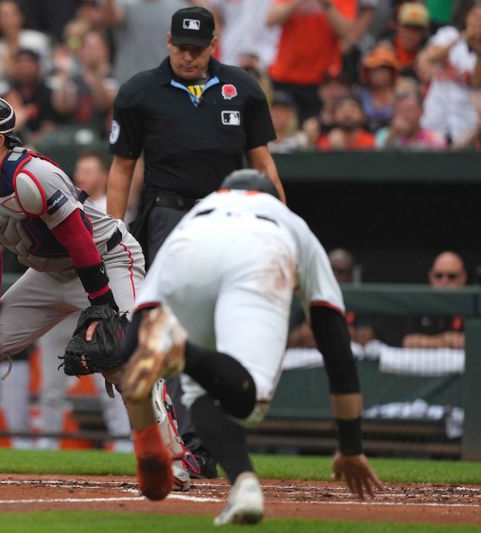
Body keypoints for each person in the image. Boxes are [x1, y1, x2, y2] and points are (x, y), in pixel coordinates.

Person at [0, 93, 193, 492]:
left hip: (107, 260)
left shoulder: (31, 176)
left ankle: (171, 460)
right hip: (49, 272)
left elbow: (80, 241)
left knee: (126, 357)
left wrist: (102, 305)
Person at [120, 169, 383, 523]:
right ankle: (182, 351)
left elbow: (137, 335)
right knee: (251, 402)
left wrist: (146, 442)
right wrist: (350, 446)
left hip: (191, 250)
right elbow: (333, 338)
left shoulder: (198, 215)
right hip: (258, 248)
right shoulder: (289, 221)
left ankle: (244, 486)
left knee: (199, 394)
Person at [107, 5, 284, 479]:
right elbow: (122, 166)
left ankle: (208, 440)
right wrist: (114, 230)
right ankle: (184, 442)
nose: (188, 56)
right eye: (181, 48)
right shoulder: (139, 91)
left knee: (223, 326)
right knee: (171, 324)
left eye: (197, 48)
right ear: (168, 42)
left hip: (230, 213)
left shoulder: (242, 87)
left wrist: (279, 219)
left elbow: (263, 161)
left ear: (213, 45)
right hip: (170, 212)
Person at [36, 151, 133, 452]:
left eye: (89, 170)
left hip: (95, 301)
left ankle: (123, 444)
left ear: (104, 176)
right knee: (52, 386)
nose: (82, 176)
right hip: (62, 304)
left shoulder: (110, 210)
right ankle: (46, 446)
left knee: (111, 375)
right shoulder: (63, 203)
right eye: (79, 170)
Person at [418, 1, 481, 145]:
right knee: (428, 160)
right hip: (436, 114)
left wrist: (480, 54)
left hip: (466, 122)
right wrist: (460, 38)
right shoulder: (448, 34)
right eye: (475, 16)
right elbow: (430, 57)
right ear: (466, 17)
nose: (479, 22)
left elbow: (477, 82)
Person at [266, 0, 357, 121]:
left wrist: (327, 4)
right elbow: (271, 19)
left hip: (322, 80)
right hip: (285, 75)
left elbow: (345, 31)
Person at [401, 251, 467, 350]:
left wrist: (424, 341)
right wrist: (445, 340)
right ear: (431, 276)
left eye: (451, 276)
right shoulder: (419, 304)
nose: (444, 282)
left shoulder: (471, 305)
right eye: (439, 275)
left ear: (463, 277)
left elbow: (469, 342)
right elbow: (409, 341)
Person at [375, 91, 446, 149]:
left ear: (421, 111)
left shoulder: (434, 138)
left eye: (409, 110)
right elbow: (380, 161)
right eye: (399, 110)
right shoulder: (383, 135)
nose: (404, 115)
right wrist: (393, 134)